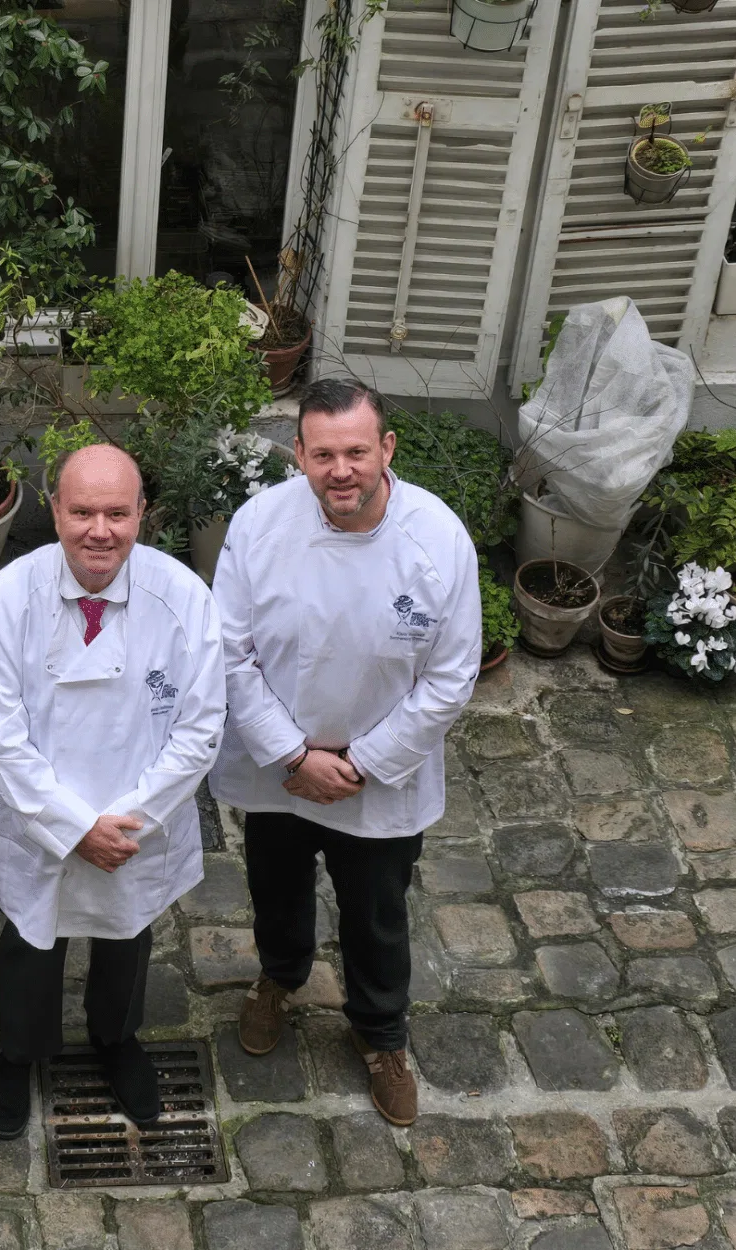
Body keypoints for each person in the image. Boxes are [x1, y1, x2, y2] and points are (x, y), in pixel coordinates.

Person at [211, 377, 481, 1128]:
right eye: (323, 454)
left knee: (377, 912)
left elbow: (452, 675)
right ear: (298, 454)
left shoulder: (437, 539)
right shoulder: (259, 526)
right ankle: (279, 977)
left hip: (380, 776)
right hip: (281, 768)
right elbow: (228, 652)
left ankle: (381, 1032)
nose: (341, 471)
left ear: (386, 448)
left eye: (356, 452)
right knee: (276, 887)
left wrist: (362, 762)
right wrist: (293, 756)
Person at [0, 444, 225, 1140]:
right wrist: (73, 826)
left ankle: (116, 1038)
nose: (99, 531)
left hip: (139, 823)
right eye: (82, 512)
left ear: (143, 513)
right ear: (54, 511)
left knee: (127, 936)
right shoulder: (6, 598)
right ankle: (18, 1049)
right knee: (29, 937)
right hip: (37, 819)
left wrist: (129, 820)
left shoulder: (185, 600)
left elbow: (200, 729)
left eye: (117, 513)